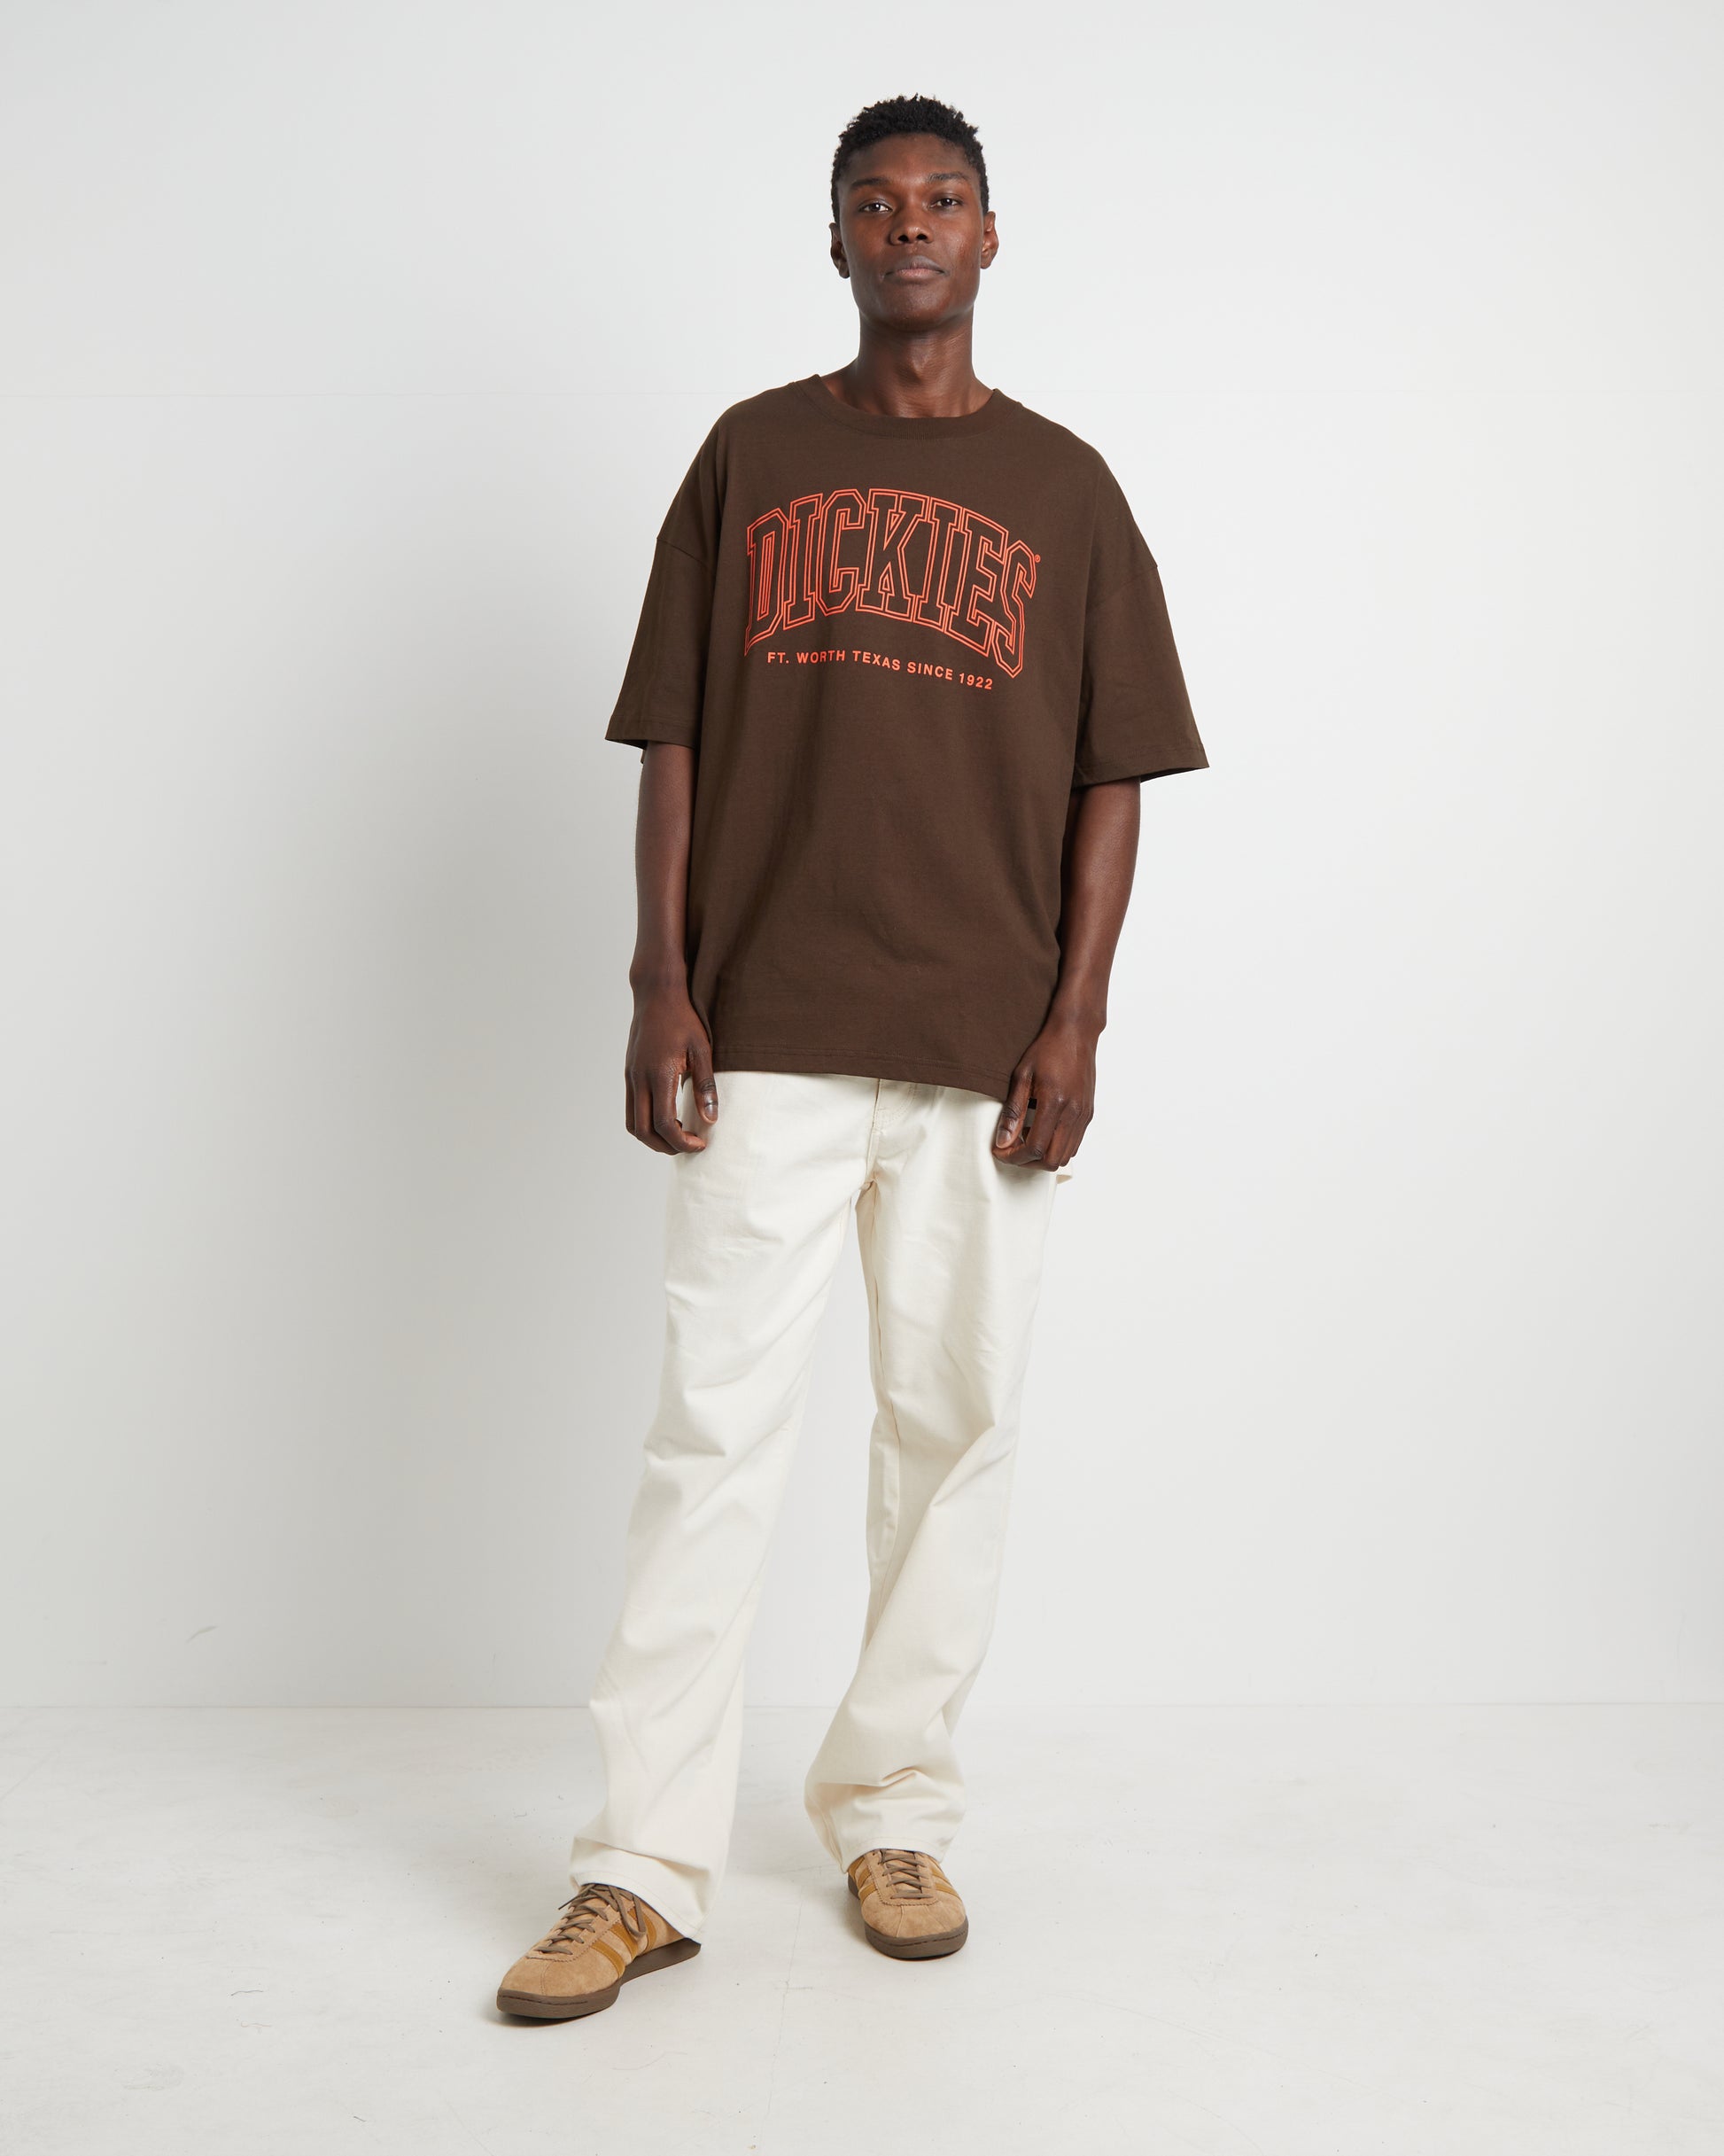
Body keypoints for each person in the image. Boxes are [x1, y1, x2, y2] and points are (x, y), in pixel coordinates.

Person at [496, 91, 1208, 2022]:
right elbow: (672, 734)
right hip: (772, 1026)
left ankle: (892, 1808)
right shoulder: (752, 454)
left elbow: (1115, 771)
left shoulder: (1066, 489)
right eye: (874, 202)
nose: (910, 224)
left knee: (950, 1437)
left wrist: (1077, 1013)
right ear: (833, 240)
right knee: (710, 1438)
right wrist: (658, 977)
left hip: (985, 1041)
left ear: (990, 238)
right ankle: (640, 1865)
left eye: (943, 198)